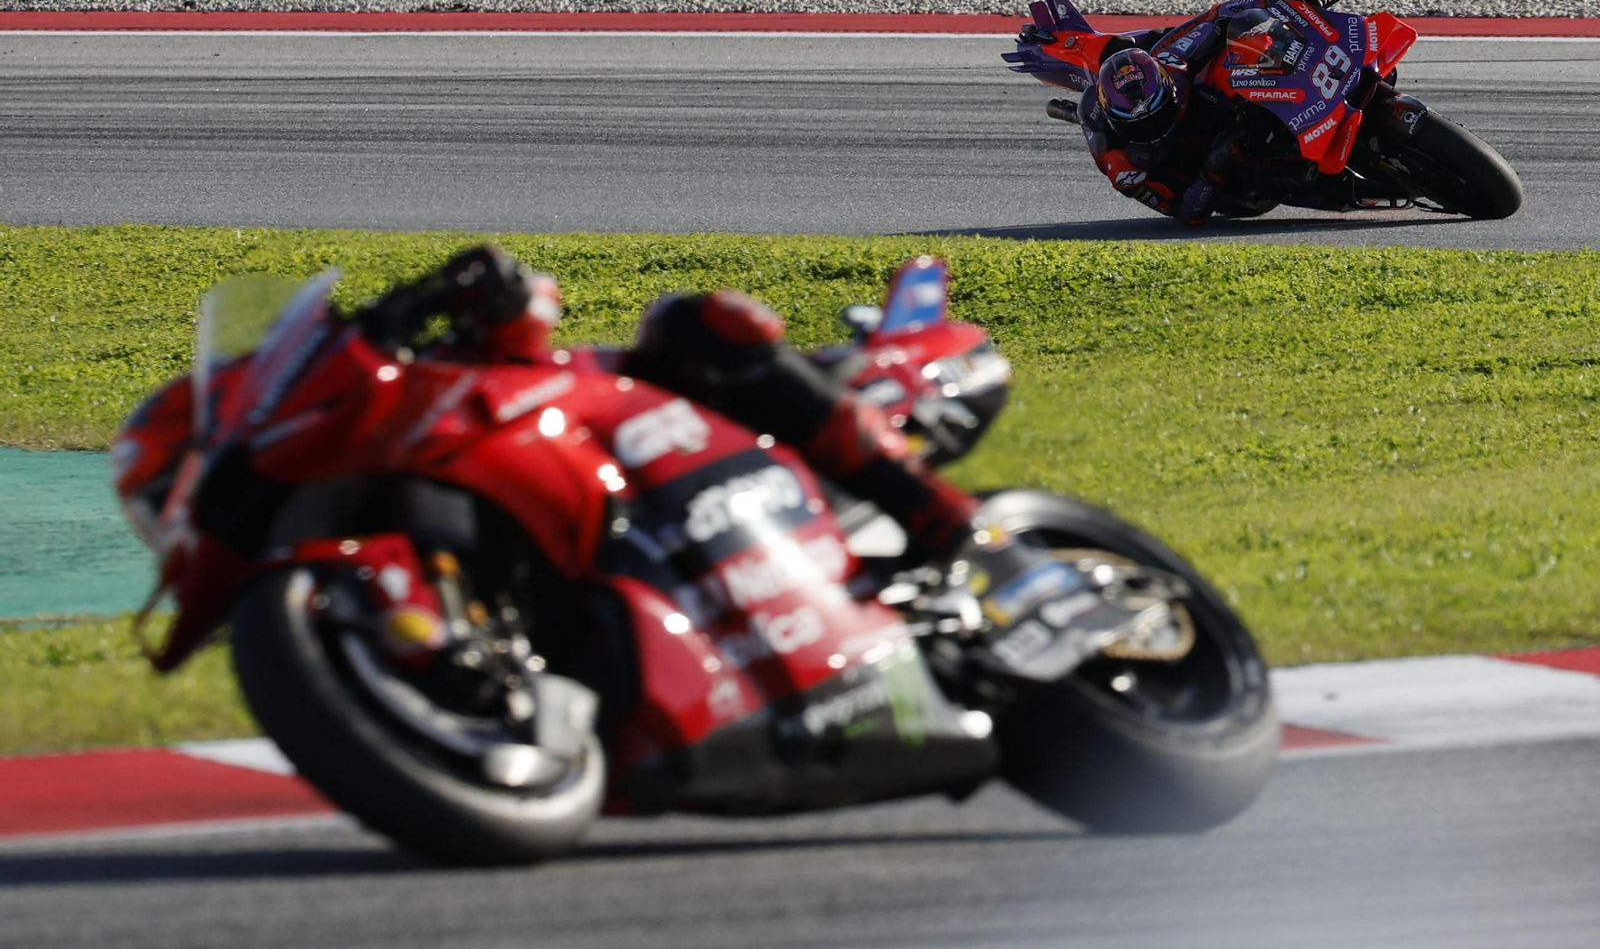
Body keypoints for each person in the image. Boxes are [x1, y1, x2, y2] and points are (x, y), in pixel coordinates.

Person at [116, 245, 1157, 663]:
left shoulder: (427, 399)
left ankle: (953, 527)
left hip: (662, 429)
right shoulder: (313, 584)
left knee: (693, 322)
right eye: (160, 493)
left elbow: (531, 322)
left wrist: (475, 294)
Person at [1065, 0, 1382, 224]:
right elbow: (1184, 213)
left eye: (1157, 111)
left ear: (1166, 87)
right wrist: (1213, 169)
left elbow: (1221, 14)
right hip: (1215, 178)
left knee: (1238, 44)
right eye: (1143, 122)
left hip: (1207, 112)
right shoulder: (1124, 167)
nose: (1154, 124)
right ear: (1119, 122)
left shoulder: (1174, 62)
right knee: (1265, 172)